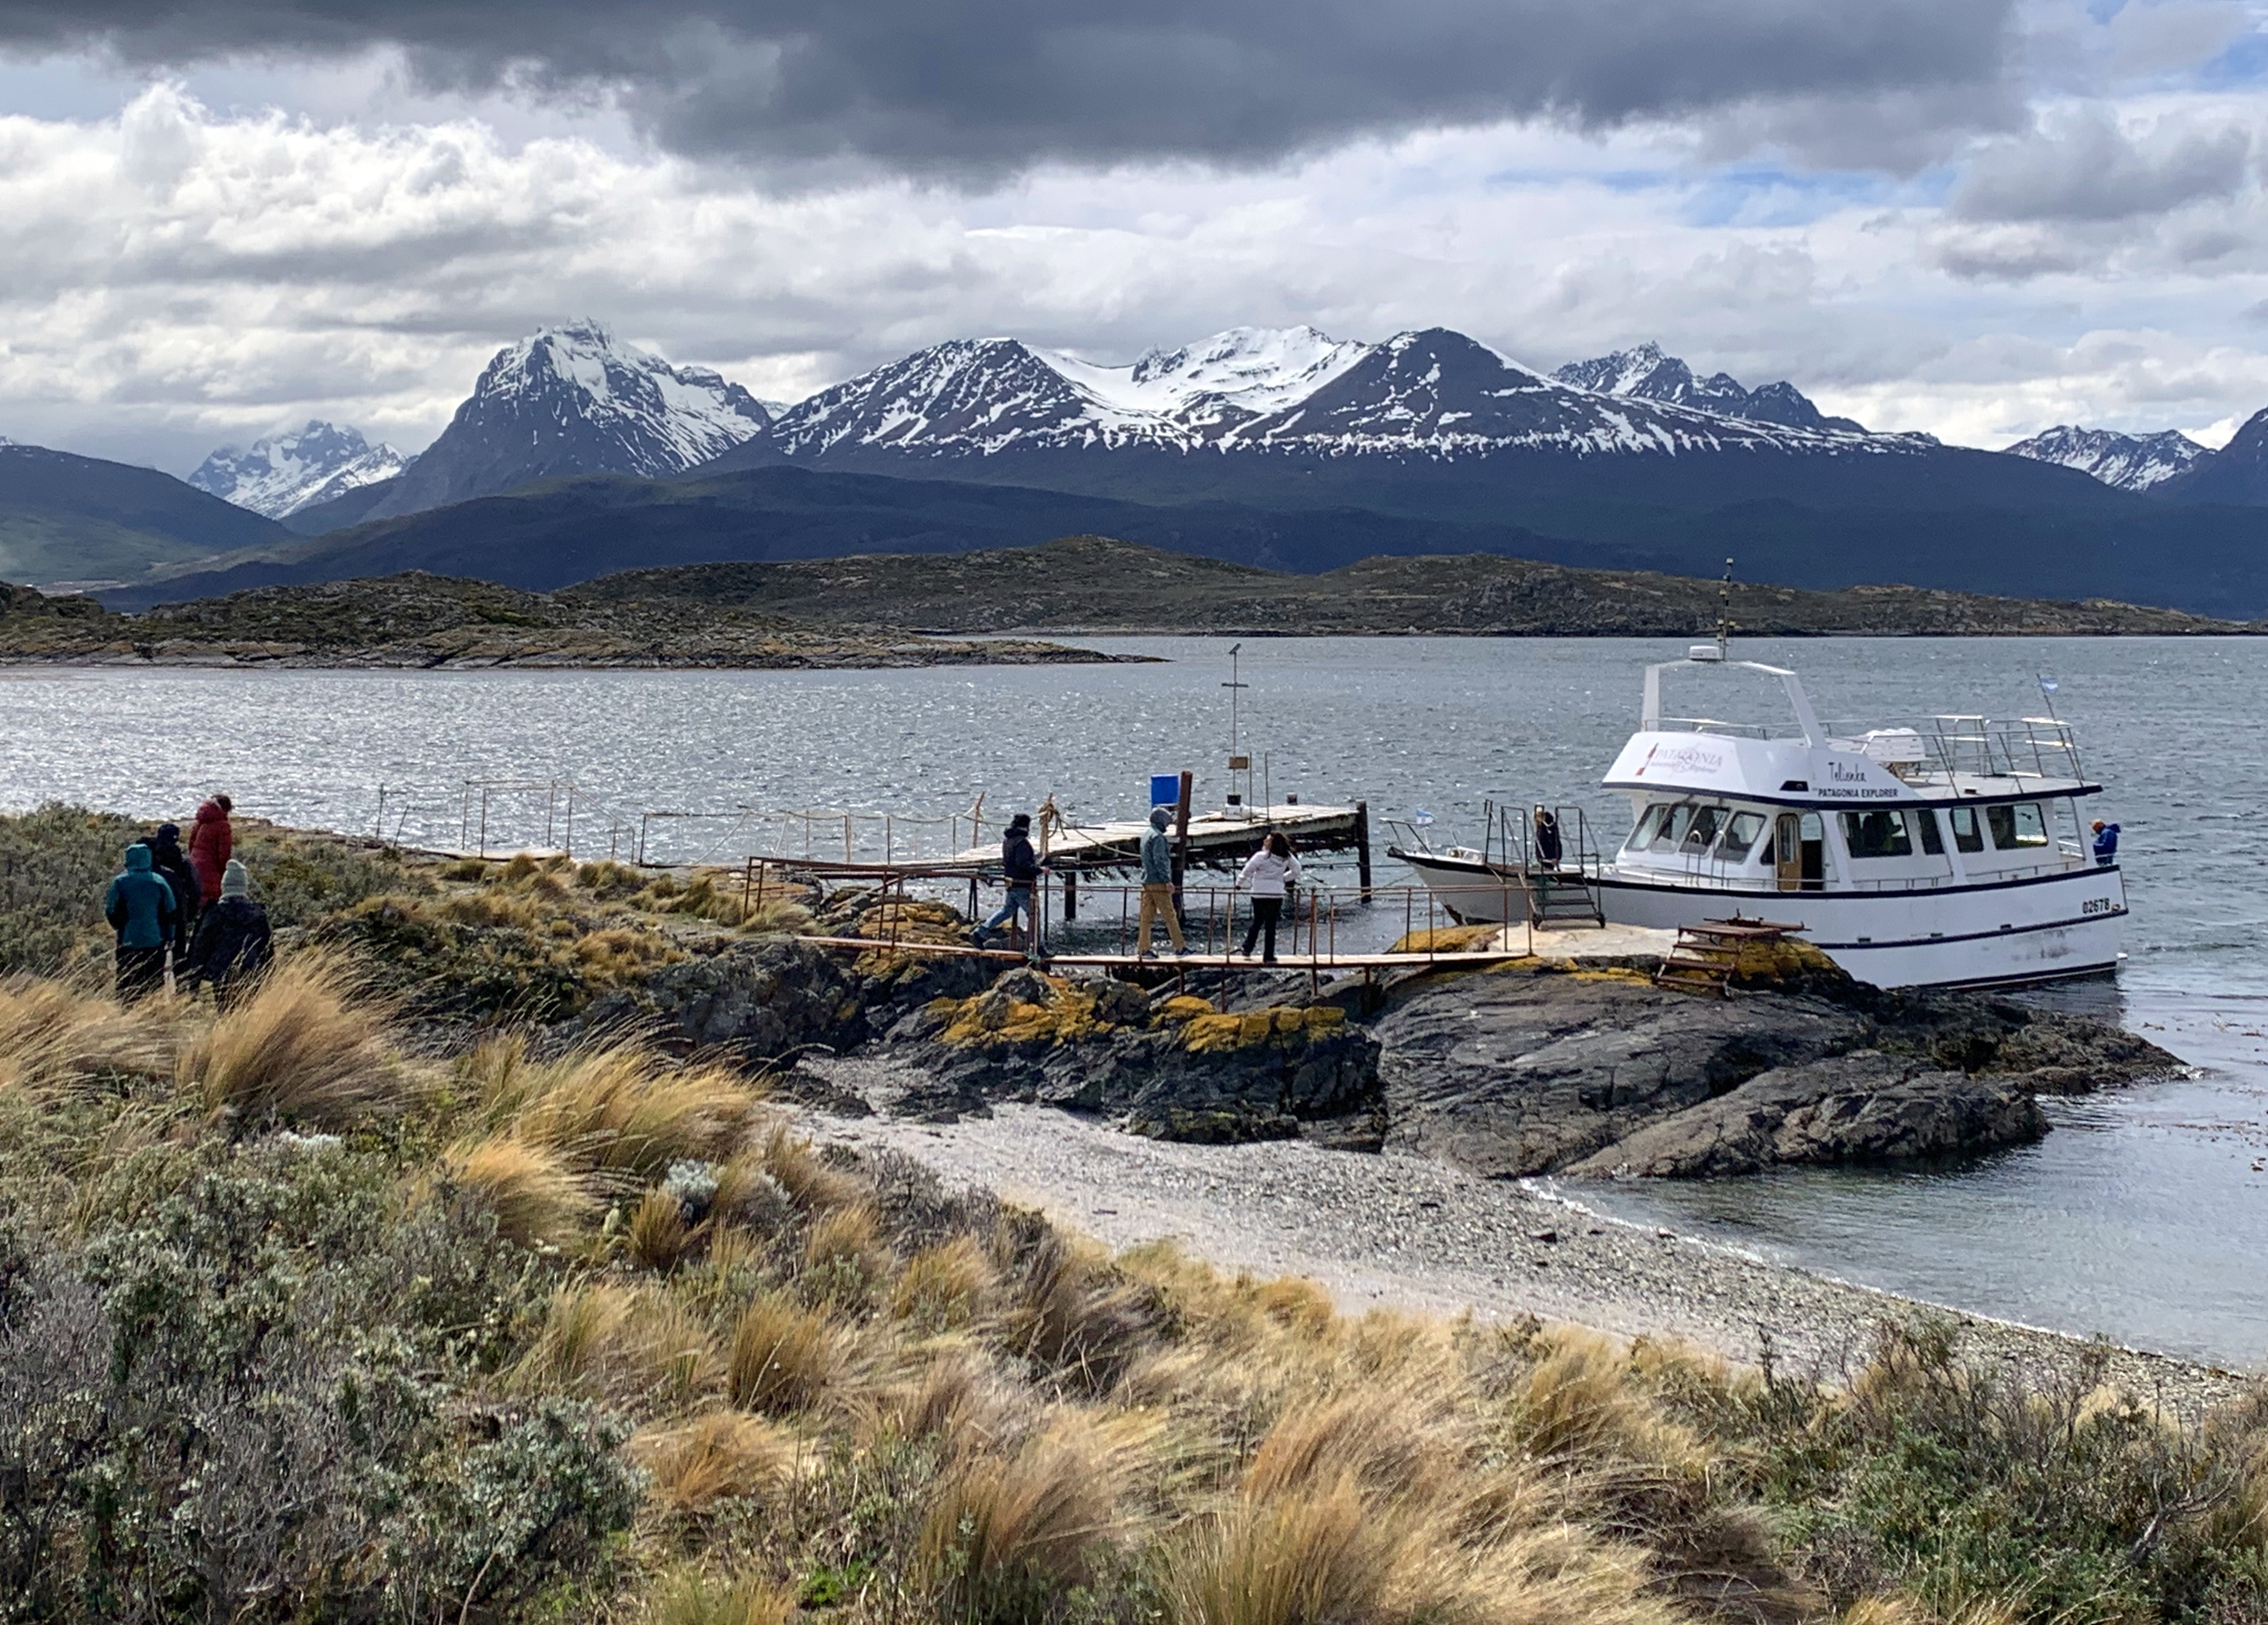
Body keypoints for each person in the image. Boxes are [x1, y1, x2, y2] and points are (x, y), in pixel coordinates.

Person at [184, 859, 274, 1004]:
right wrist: (268, 977)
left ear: (224, 886)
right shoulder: (258, 916)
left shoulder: (215, 914)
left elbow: (201, 947)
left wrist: (194, 981)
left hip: (221, 972)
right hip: (250, 970)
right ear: (244, 887)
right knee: (246, 1010)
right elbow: (267, 949)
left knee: (225, 1012)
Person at [104, 842, 178, 1001]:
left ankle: (126, 1020)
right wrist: (170, 937)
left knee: (127, 987)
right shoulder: (159, 882)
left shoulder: (120, 882)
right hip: (155, 942)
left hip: (128, 942)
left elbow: (111, 910)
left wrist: (119, 927)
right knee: (153, 987)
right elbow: (171, 912)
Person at [974, 812, 1042, 950]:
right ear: (1026, 827)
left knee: (1007, 911)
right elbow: (1023, 863)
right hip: (1023, 884)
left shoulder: (1008, 841)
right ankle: (1036, 947)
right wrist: (1039, 869)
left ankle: (980, 932)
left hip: (1011, 883)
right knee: (1034, 915)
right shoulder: (1022, 842)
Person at [137, 822, 201, 966]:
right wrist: (188, 915)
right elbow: (195, 891)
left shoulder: (146, 861)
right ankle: (180, 985)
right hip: (177, 912)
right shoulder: (182, 863)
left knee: (150, 958)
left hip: (149, 913)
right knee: (178, 956)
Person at [1235, 831, 1301, 964]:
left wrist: (1239, 883)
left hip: (1259, 893)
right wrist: (1282, 878)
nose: (1264, 840)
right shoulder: (1286, 856)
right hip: (1276, 893)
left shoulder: (1261, 856)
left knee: (1257, 921)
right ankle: (1269, 955)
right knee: (1271, 925)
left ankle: (1247, 948)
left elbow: (1248, 870)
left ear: (1271, 843)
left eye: (1267, 839)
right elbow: (1297, 870)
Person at [1135, 806, 1187, 958]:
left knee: (1146, 917)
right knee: (1170, 915)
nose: (1168, 826)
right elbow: (1160, 861)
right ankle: (1180, 947)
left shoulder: (1146, 835)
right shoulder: (1158, 838)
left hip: (1146, 881)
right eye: (1167, 823)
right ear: (1161, 821)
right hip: (1158, 882)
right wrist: (1167, 880)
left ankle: (1143, 949)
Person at [188, 794, 234, 908]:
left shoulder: (201, 821)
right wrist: (225, 872)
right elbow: (224, 854)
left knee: (196, 898)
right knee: (210, 904)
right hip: (211, 869)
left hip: (194, 865)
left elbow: (191, 844)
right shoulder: (222, 825)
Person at [1532, 806, 1563, 870]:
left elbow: (1556, 842)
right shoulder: (1542, 829)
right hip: (1545, 858)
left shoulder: (1547, 829)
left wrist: (1556, 857)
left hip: (1548, 858)